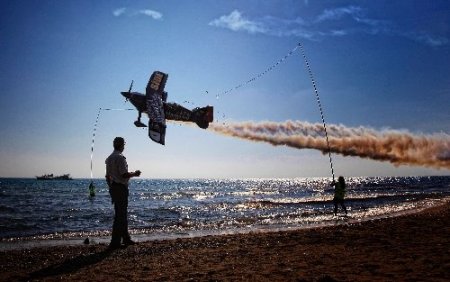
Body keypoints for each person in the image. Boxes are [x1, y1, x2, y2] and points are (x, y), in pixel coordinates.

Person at [105, 137, 141, 249]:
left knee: (120, 214)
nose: (124, 146)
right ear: (121, 145)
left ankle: (125, 238)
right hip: (120, 187)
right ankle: (115, 242)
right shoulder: (120, 158)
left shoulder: (109, 158)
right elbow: (123, 175)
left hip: (113, 187)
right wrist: (135, 174)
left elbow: (107, 176)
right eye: (123, 144)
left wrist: (111, 188)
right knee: (121, 215)